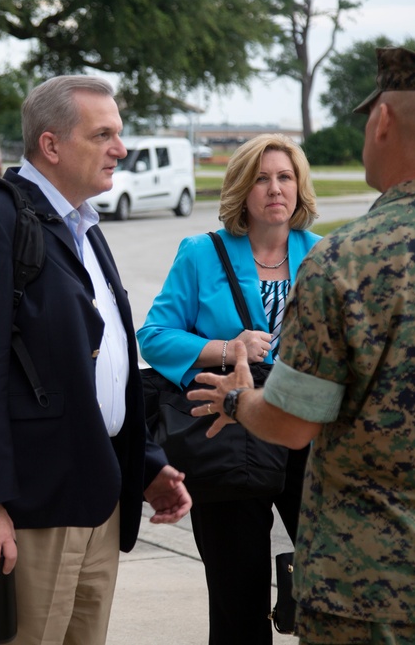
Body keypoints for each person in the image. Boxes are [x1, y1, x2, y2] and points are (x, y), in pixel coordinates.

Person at [188, 47, 415, 643]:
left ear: (382, 122)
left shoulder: (342, 261)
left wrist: (237, 400)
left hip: (368, 591)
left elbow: (291, 425)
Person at [0, 75, 193, 645]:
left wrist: (144, 462)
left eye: (118, 134)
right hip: (20, 511)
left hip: (94, 499)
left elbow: (97, 366)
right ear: (51, 145)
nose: (121, 149)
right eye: (103, 135)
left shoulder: (83, 228)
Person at [137, 133, 321, 644]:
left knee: (331, 582)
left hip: (308, 436)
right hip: (228, 432)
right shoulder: (201, 254)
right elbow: (153, 337)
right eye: (261, 178)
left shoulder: (327, 257)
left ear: (300, 187)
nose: (274, 188)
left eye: (285, 177)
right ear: (242, 189)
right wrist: (227, 347)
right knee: (237, 594)